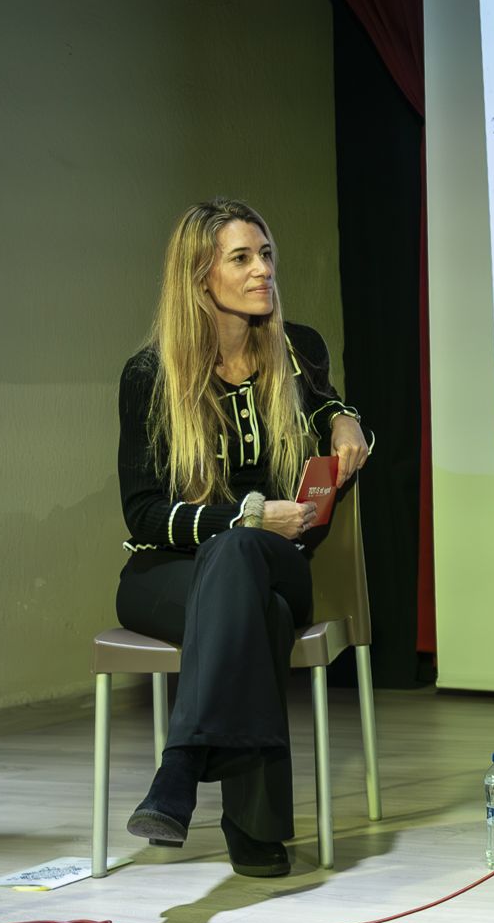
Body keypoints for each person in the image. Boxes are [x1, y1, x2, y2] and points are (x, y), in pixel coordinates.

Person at [115, 199, 371, 878]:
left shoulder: (297, 349)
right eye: (242, 258)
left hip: (278, 561)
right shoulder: (148, 376)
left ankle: (180, 767)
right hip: (167, 574)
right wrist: (247, 517)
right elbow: (142, 513)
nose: (263, 270)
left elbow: (328, 403)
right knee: (251, 590)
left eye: (266, 255)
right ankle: (252, 825)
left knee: (245, 557)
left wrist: (346, 423)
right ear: (200, 277)